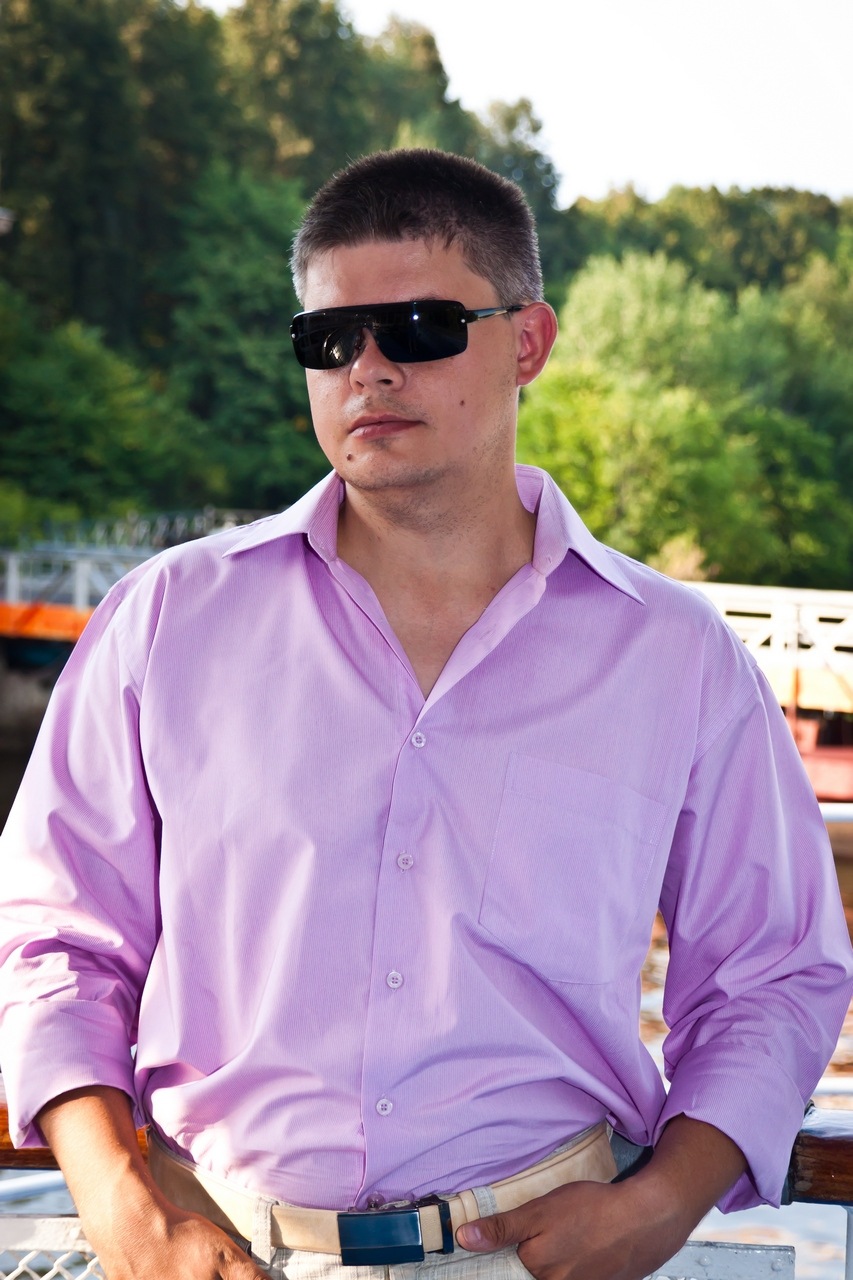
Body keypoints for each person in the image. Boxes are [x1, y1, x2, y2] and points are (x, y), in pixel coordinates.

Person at [0, 149, 851, 1280]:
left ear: (528, 342)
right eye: (329, 339)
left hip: (542, 1253)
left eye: (418, 327)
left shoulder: (678, 656)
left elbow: (773, 972)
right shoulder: (165, 621)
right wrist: (118, 1203)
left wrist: (662, 1203)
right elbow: (54, 937)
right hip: (202, 1248)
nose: (368, 368)